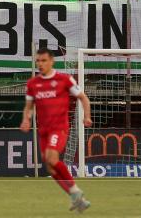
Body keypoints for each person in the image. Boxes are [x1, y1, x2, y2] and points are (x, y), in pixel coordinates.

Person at [20, 48, 92, 213]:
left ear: (52, 61)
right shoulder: (33, 84)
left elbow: (83, 98)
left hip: (59, 128)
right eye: (38, 61)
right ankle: (76, 198)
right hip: (43, 130)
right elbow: (29, 106)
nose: (40, 64)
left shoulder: (64, 80)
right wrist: (26, 119)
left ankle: (75, 191)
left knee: (52, 158)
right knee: (51, 167)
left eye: (43, 60)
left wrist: (87, 116)